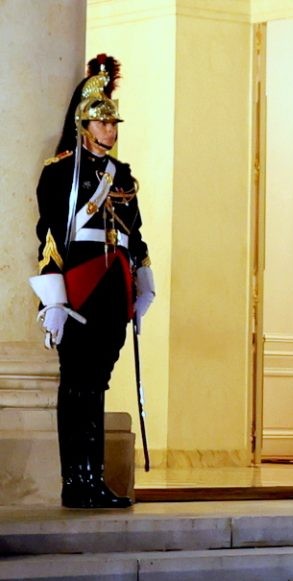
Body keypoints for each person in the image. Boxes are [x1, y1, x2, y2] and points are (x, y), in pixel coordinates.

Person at [29, 55, 155, 509]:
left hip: (113, 289)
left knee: (98, 383)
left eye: (113, 123)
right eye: (101, 124)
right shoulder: (61, 171)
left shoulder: (121, 175)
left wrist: (144, 284)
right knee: (76, 383)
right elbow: (50, 236)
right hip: (79, 285)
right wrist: (54, 297)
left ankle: (95, 478)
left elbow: (133, 233)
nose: (110, 131)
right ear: (84, 126)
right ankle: (74, 480)